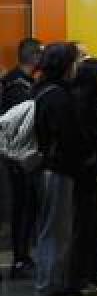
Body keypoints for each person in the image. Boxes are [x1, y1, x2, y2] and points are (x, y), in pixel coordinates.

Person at [31, 43, 88, 296]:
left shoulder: (45, 91)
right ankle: (49, 286)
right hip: (59, 169)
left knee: (54, 228)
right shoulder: (59, 96)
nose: (78, 67)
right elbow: (68, 136)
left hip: (49, 168)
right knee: (56, 229)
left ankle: (53, 282)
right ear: (65, 65)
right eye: (75, 62)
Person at [70, 57, 97, 294]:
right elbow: (91, 138)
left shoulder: (92, 102)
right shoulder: (84, 105)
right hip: (86, 172)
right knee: (85, 226)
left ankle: (92, 275)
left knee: (92, 225)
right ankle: (82, 278)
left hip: (92, 169)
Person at [3, 37, 43, 278]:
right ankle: (20, 258)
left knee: (25, 207)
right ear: (35, 56)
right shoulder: (19, 86)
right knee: (23, 207)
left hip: (16, 155)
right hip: (18, 156)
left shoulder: (18, 82)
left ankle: (23, 256)